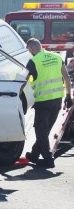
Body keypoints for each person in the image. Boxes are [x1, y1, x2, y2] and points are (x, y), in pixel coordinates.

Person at [25, 38, 73, 168]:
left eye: (28, 50)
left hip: (43, 102)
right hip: (57, 100)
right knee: (44, 130)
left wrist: (16, 94)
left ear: (32, 48)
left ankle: (48, 159)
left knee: (40, 130)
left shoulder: (33, 61)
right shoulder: (56, 57)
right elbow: (67, 78)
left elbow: (23, 81)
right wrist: (69, 96)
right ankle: (34, 154)